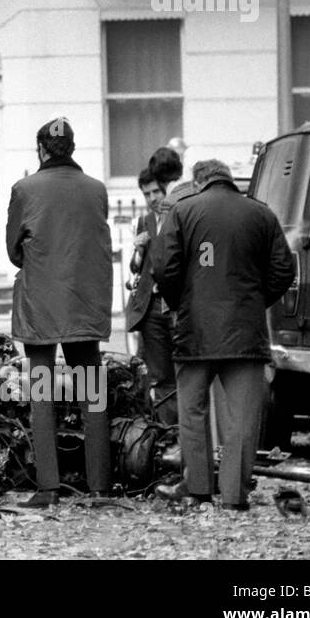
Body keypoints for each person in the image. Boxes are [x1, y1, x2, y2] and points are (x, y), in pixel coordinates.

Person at [151, 159, 296, 511]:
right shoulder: (261, 214)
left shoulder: (183, 211)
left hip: (195, 331)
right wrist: (257, 299)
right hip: (244, 333)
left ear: (200, 182)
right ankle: (234, 496)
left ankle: (197, 488)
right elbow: (283, 269)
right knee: (242, 418)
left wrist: (180, 302)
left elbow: (163, 267)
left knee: (193, 410)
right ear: (229, 181)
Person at [6, 119, 113, 507]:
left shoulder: (25, 189)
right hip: (84, 306)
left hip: (42, 309)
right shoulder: (96, 190)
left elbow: (14, 251)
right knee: (92, 395)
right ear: (71, 146)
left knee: (41, 396)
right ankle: (99, 487)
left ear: (42, 149)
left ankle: (48, 488)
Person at [125, 167, 177, 425]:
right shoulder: (145, 221)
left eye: (156, 191)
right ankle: (166, 432)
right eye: (147, 194)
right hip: (152, 305)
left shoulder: (178, 215)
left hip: (176, 304)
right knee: (158, 373)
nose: (152, 198)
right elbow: (136, 267)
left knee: (182, 372)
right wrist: (139, 247)